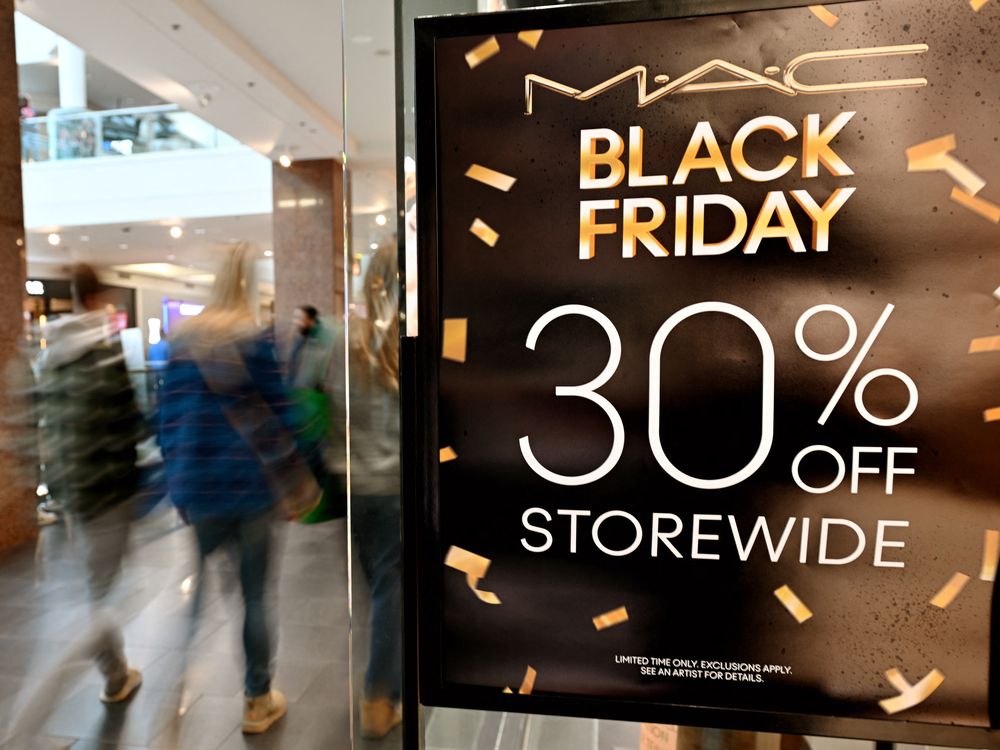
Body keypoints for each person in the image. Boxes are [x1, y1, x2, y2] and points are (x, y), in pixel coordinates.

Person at [159, 243, 317, 735]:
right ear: (247, 286)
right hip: (252, 490)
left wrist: (178, 486)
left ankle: (171, 689)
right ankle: (256, 700)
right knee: (254, 597)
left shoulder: (181, 344)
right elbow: (284, 414)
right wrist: (300, 476)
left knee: (198, 594)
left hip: (200, 490)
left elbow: (167, 421)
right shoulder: (256, 341)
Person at [5, 265, 145, 743]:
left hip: (71, 491)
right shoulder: (105, 355)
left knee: (95, 585)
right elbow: (129, 424)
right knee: (104, 601)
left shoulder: (52, 354)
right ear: (98, 296)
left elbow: (37, 417)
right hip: (108, 492)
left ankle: (116, 673)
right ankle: (26, 721)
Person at [327, 245, 402, 739]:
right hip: (395, 484)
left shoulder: (344, 338)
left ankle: (387, 680)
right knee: (391, 591)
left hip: (354, 485)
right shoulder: (405, 337)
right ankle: (378, 696)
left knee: (378, 586)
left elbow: (332, 410)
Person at [287, 305, 334, 486]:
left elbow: (319, 373)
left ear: (311, 319)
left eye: (300, 318)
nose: (296, 322)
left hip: (314, 402)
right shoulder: (301, 340)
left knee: (315, 450)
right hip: (302, 402)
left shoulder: (320, 341)